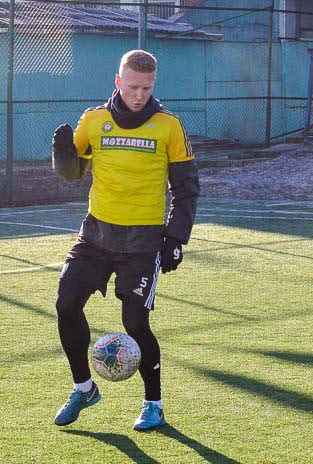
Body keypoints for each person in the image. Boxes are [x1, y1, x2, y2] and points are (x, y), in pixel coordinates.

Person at [50, 49, 199, 431]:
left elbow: (186, 188)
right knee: (66, 305)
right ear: (118, 82)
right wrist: (62, 154)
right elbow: (73, 173)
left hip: (142, 244)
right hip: (96, 236)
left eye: (147, 88)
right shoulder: (94, 120)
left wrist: (176, 237)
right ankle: (83, 388)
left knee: (135, 322)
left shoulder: (169, 126)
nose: (139, 95)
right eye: (133, 87)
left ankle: (153, 405)